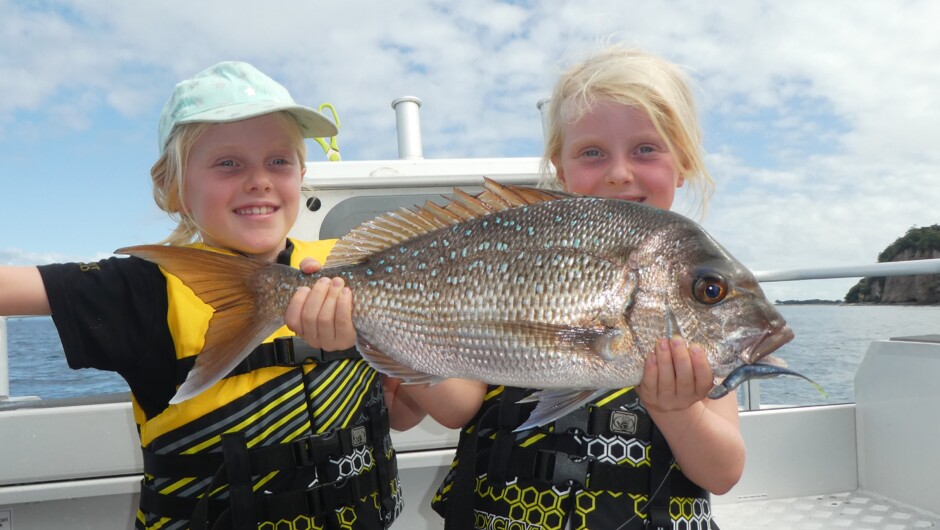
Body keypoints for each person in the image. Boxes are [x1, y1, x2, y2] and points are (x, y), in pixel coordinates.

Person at [0, 61, 420, 529]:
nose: (259, 179)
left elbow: (400, 415)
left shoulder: (350, 269)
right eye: (228, 163)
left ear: (301, 175)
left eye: (278, 161)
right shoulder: (142, 288)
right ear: (174, 188)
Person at [425, 46, 744, 530]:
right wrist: (380, 339)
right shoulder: (509, 263)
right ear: (561, 169)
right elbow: (457, 408)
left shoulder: (696, 294)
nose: (619, 171)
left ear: (682, 162)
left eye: (646, 149)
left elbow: (722, 472)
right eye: (593, 152)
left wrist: (676, 410)